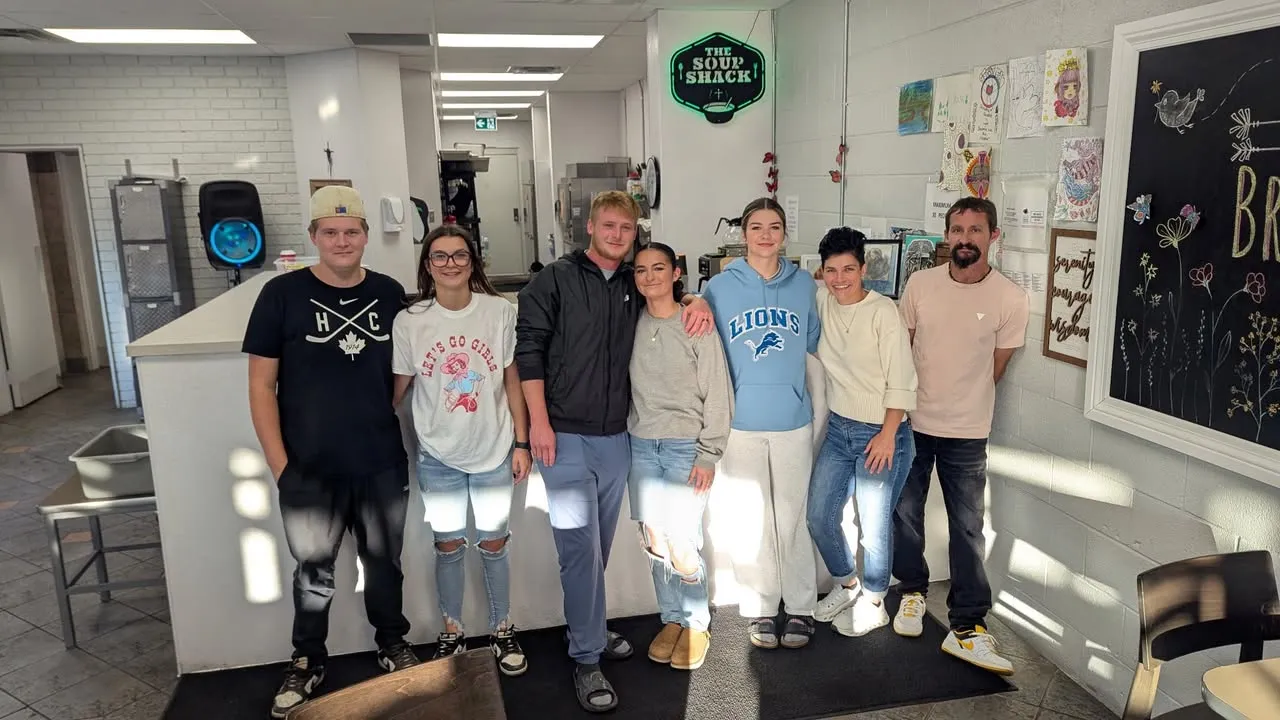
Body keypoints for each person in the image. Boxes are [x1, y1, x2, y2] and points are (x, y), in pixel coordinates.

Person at [515, 190, 712, 713]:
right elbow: (527, 349)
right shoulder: (553, 279)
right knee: (578, 549)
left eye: (626, 228)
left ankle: (590, 629)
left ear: (635, 232)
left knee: (595, 550)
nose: (617, 236)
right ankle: (586, 658)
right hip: (563, 437)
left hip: (618, 439)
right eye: (608, 226)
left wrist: (698, 299)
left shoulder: (633, 282)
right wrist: (538, 424)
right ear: (590, 228)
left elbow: (673, 295)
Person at [243, 186, 420, 720]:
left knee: (385, 563)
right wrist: (281, 467)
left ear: (366, 236)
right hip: (309, 468)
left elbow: (401, 375)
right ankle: (307, 659)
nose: (342, 241)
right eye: (330, 232)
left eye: (351, 231)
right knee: (312, 572)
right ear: (315, 237)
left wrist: (371, 410)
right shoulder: (281, 294)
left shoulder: (390, 292)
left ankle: (392, 644)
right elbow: (260, 386)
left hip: (380, 459)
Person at [892, 196, 1028, 676]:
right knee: (904, 513)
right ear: (946, 235)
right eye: (957, 229)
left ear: (993, 236)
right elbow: (902, 351)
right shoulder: (921, 284)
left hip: (967, 431)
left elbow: (995, 369)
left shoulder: (1010, 298)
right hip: (912, 423)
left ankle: (967, 627)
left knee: (968, 530)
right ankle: (910, 593)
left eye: (975, 230)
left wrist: (959, 399)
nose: (965, 239)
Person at [391, 225, 532, 676]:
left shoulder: (499, 311)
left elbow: (512, 380)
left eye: (459, 255)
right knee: (448, 546)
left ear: (473, 262)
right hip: (438, 453)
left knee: (494, 544)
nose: (450, 263)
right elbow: (399, 389)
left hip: (493, 448)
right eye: (440, 256)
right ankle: (451, 631)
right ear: (427, 265)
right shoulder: (411, 320)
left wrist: (522, 442)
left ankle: (502, 628)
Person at [702, 197, 821, 651]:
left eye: (774, 226)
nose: (765, 234)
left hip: (792, 420)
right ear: (744, 233)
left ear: (785, 234)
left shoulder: (804, 285)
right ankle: (761, 608)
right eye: (756, 226)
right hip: (741, 423)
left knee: (791, 518)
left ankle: (803, 607)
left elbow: (809, 346)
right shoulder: (720, 287)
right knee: (752, 521)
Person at [806, 228, 918, 637]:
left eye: (848, 269)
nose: (839, 279)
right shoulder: (821, 302)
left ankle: (874, 601)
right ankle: (848, 584)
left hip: (884, 433)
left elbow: (902, 380)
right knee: (819, 516)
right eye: (831, 270)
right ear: (822, 273)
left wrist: (888, 435)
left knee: (873, 525)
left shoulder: (884, 311)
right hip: (839, 429)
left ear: (863, 268)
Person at [627, 242, 733, 672]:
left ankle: (695, 622)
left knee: (682, 541)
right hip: (640, 444)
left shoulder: (695, 323)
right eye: (640, 270)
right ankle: (670, 617)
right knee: (654, 540)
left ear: (675, 273)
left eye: (658, 268)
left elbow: (717, 393)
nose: (649, 276)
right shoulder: (630, 322)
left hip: (685, 446)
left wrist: (709, 453)